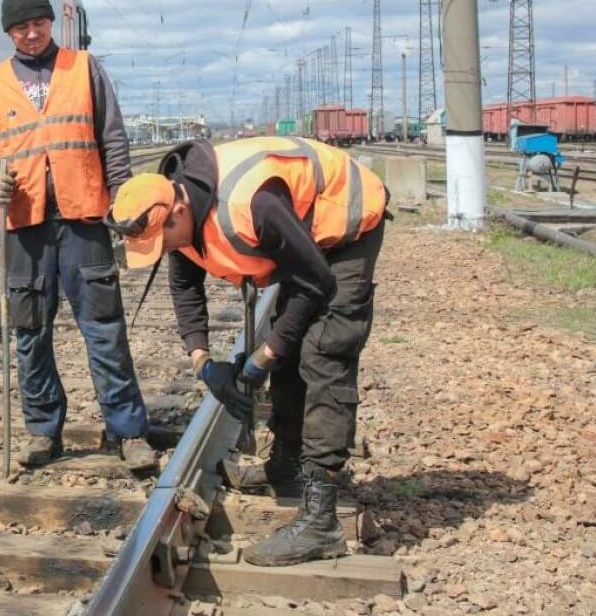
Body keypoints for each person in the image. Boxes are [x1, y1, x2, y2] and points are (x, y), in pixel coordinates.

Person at [107, 137, 389, 565]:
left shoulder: (251, 204)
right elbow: (185, 288)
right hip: (302, 237)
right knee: (289, 344)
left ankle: (321, 522)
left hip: (343, 229)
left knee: (323, 351)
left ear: (177, 212)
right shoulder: (177, 213)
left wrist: (265, 355)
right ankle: (287, 467)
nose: (163, 251)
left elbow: (316, 283)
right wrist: (203, 363)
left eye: (161, 243)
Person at [0, 0, 157, 472]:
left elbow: (112, 138)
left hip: (82, 219)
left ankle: (128, 431)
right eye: (20, 27)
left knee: (103, 327)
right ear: (9, 32)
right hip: (24, 225)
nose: (31, 34)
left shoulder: (84, 68)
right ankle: (41, 431)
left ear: (52, 23)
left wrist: (123, 198)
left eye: (38, 23)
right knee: (30, 333)